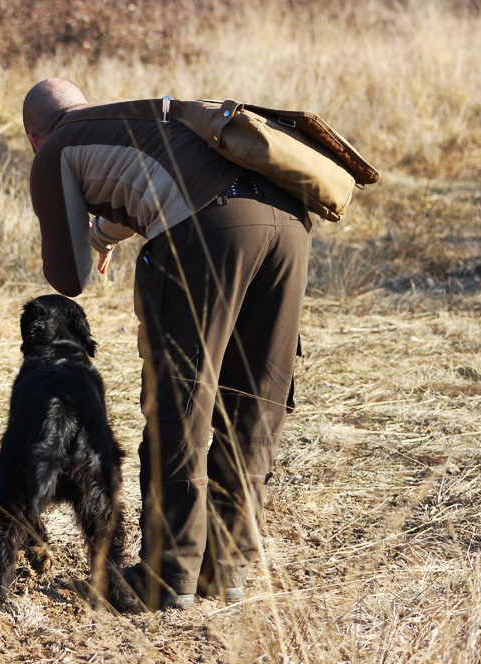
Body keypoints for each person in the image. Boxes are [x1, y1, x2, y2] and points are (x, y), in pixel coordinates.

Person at [23, 78, 311, 611]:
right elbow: (150, 178)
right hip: (289, 224)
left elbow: (69, 279)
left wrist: (70, 217)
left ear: (34, 137)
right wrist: (105, 232)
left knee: (181, 401)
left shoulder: (53, 151)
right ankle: (225, 570)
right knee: (254, 400)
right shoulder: (133, 115)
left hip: (209, 230)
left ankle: (168, 572)